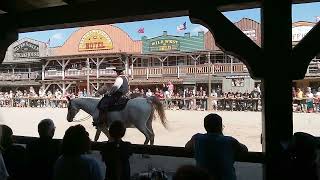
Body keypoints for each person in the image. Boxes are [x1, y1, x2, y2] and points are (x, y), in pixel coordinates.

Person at [185, 114, 248, 180]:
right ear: (221, 126)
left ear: (205, 126)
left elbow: (187, 147)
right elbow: (245, 149)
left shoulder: (197, 138)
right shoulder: (229, 140)